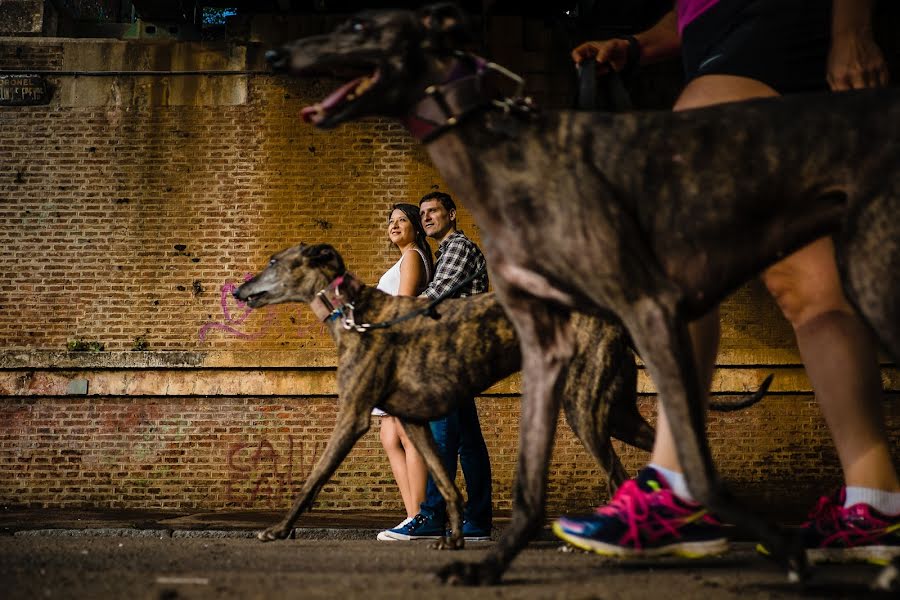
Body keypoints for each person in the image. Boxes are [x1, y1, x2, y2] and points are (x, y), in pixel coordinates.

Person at [554, 0, 900, 564]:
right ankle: (876, 500)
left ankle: (677, 485)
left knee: (675, 244)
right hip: (748, 43)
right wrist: (639, 44)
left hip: (764, 32)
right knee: (809, 289)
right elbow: (691, 10)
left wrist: (853, 28)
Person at [381, 191, 494, 541]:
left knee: (441, 439)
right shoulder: (447, 252)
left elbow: (431, 298)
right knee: (468, 443)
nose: (427, 217)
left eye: (434, 211)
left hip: (451, 357)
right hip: (459, 355)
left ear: (453, 214)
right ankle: (476, 522)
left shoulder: (458, 247)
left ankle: (431, 516)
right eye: (425, 212)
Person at [373, 203, 434, 541]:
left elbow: (404, 304)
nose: (394, 225)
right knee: (389, 435)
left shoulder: (412, 256)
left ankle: (419, 516)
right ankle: (411, 514)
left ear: (415, 227)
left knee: (408, 435)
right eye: (391, 221)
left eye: (402, 220)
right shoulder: (403, 258)